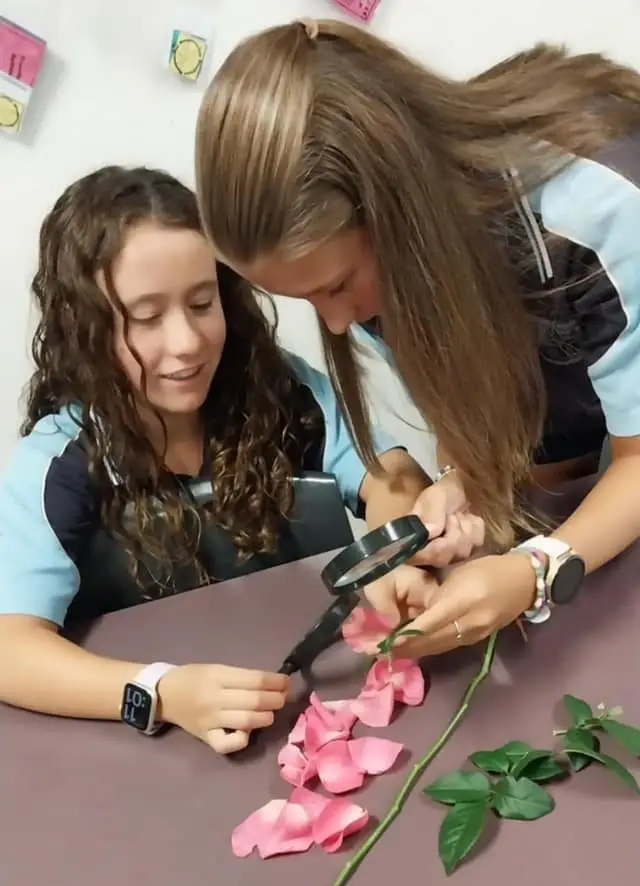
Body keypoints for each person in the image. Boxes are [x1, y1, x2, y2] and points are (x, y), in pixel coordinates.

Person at [195, 20, 640, 656]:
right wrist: (466, 499)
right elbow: (547, 445)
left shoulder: (592, 205)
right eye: (306, 300)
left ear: (398, 204)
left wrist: (534, 571)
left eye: (336, 284)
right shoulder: (385, 287)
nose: (338, 322)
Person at [0, 164, 446, 754]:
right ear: (86, 328)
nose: (186, 342)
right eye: (146, 318)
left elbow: (390, 474)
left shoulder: (278, 391)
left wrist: (390, 553)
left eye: (202, 302)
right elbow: (11, 648)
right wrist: (162, 692)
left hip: (314, 709)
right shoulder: (57, 466)